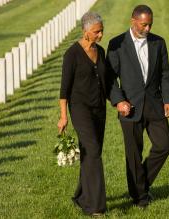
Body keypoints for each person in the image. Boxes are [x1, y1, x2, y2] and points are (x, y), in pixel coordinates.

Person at [106, 5, 169, 208]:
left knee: (164, 146)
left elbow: (165, 75)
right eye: (144, 25)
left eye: (150, 25)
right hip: (130, 107)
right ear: (133, 21)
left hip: (155, 105)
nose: (147, 29)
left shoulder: (158, 43)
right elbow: (110, 79)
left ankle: (139, 185)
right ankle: (141, 197)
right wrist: (119, 101)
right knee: (134, 153)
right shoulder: (117, 44)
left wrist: (168, 100)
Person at [57, 12, 108, 216]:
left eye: (101, 30)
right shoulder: (72, 54)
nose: (101, 35)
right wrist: (63, 116)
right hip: (80, 109)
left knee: (91, 154)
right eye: (97, 32)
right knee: (93, 151)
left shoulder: (101, 52)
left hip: (99, 109)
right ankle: (95, 206)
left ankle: (80, 195)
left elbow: (108, 81)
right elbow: (64, 89)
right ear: (86, 31)